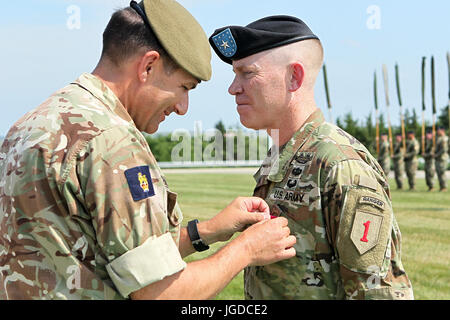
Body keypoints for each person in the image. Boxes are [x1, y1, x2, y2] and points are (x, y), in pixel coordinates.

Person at [0, 0, 297, 300]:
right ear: (148, 66)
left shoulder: (32, 123)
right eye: (184, 87)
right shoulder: (112, 141)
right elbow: (161, 294)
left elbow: (108, 254)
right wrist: (245, 249)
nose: (183, 108)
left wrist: (204, 231)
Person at [209, 15, 413, 300]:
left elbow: (378, 292)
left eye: (247, 73)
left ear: (294, 77)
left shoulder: (340, 166)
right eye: (235, 74)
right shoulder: (283, 156)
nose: (233, 88)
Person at [434, 127, 449, 192]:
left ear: (442, 131)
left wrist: (437, 155)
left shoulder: (444, 139)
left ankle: (444, 187)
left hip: (442, 158)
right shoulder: (438, 138)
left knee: (442, 173)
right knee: (439, 173)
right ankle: (441, 186)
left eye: (438, 130)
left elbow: (444, 149)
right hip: (438, 158)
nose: (437, 132)